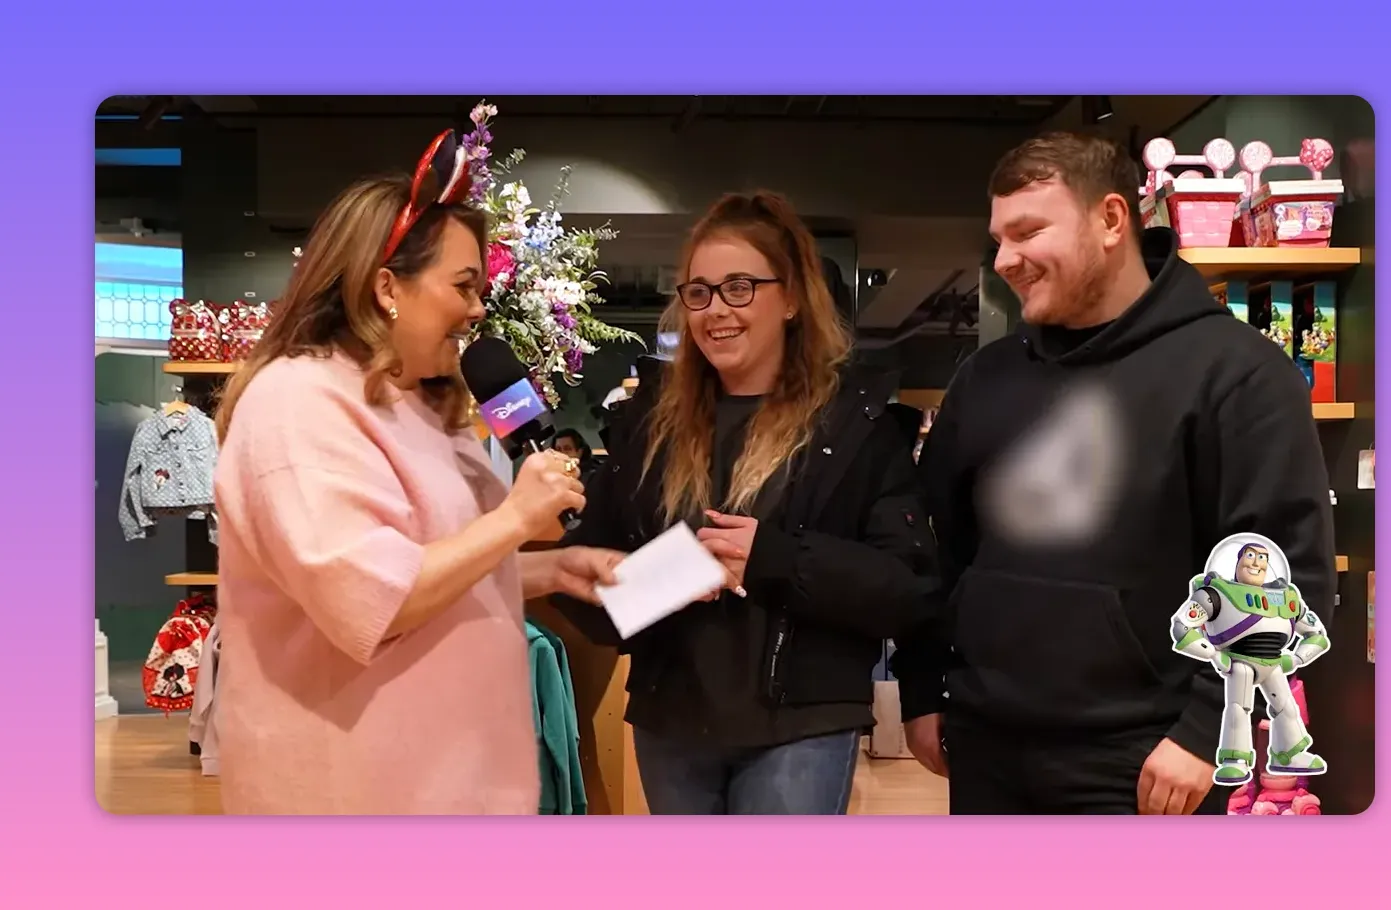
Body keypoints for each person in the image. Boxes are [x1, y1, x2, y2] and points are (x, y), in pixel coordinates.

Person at [893, 132, 1335, 815]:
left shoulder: (1238, 372)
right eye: (998, 238)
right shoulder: (985, 378)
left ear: (1109, 220)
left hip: (1149, 762)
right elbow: (933, 550)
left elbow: (1287, 570)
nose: (1004, 260)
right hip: (985, 745)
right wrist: (924, 690)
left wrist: (1207, 730)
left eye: (1027, 231)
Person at [211, 133, 624, 815]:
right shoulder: (296, 404)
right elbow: (376, 602)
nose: (477, 309)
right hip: (351, 799)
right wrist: (516, 520)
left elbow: (435, 570)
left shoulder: (427, 403)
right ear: (386, 287)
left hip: (456, 786)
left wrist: (552, 570)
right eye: (464, 286)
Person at [551, 190, 941, 815]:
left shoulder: (855, 428)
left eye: (739, 287)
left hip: (801, 731)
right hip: (670, 724)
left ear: (790, 298)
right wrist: (652, 580)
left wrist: (776, 560)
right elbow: (590, 581)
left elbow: (907, 588)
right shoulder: (648, 427)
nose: (715, 311)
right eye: (698, 292)